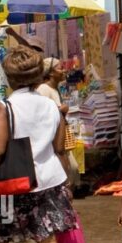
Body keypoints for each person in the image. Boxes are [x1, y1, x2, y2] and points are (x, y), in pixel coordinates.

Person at [0, 46, 76, 243]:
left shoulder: (5, 107)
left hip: (13, 184)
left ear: (9, 77)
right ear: (39, 74)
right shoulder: (53, 106)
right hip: (49, 181)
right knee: (46, 238)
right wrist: (67, 182)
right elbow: (59, 149)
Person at [37, 58, 80, 192]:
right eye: (59, 68)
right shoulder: (43, 89)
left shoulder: (54, 89)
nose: (63, 70)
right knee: (69, 169)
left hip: (60, 137)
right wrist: (60, 109)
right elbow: (41, 112)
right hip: (54, 139)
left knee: (72, 169)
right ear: (50, 73)